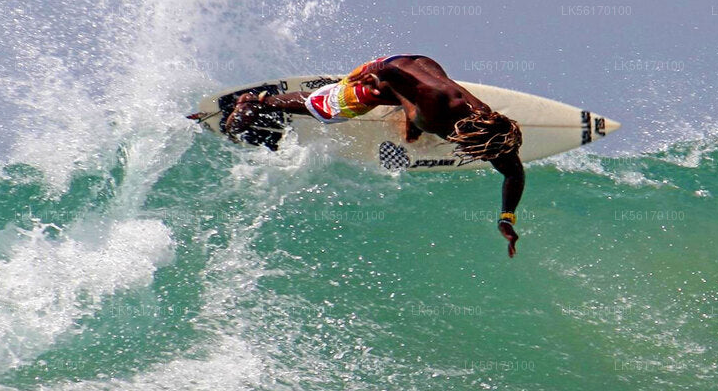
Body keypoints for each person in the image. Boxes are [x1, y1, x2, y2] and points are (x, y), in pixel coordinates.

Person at [222, 55, 525, 257]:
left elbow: (513, 172)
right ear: (471, 135)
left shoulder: (492, 136)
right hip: (390, 69)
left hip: (417, 86)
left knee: (415, 115)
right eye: (477, 152)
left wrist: (506, 218)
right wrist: (368, 78)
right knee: (338, 110)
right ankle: (261, 104)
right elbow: (390, 73)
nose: (479, 157)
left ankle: (409, 116)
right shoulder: (438, 101)